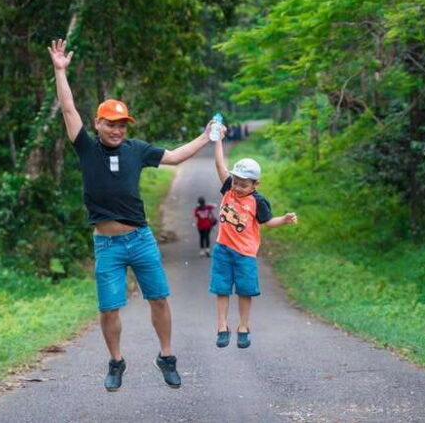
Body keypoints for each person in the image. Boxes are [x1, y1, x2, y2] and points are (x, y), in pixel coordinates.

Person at [48, 38, 214, 392]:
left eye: (122, 124)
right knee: (109, 308)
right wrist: (60, 71)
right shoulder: (86, 148)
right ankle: (116, 361)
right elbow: (67, 110)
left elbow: (174, 156)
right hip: (107, 244)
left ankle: (166, 357)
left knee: (159, 298)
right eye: (111, 123)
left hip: (140, 238)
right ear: (98, 123)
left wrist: (204, 138)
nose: (118, 129)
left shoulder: (137, 150)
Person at [210, 124, 298, 349]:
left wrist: (284, 219)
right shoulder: (229, 187)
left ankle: (243, 326)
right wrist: (218, 139)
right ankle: (222, 325)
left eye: (243, 184)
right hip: (222, 249)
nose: (237, 187)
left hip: (245, 254)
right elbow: (220, 165)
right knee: (221, 288)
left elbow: (268, 222)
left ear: (255, 184)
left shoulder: (258, 201)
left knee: (245, 290)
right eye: (236, 181)